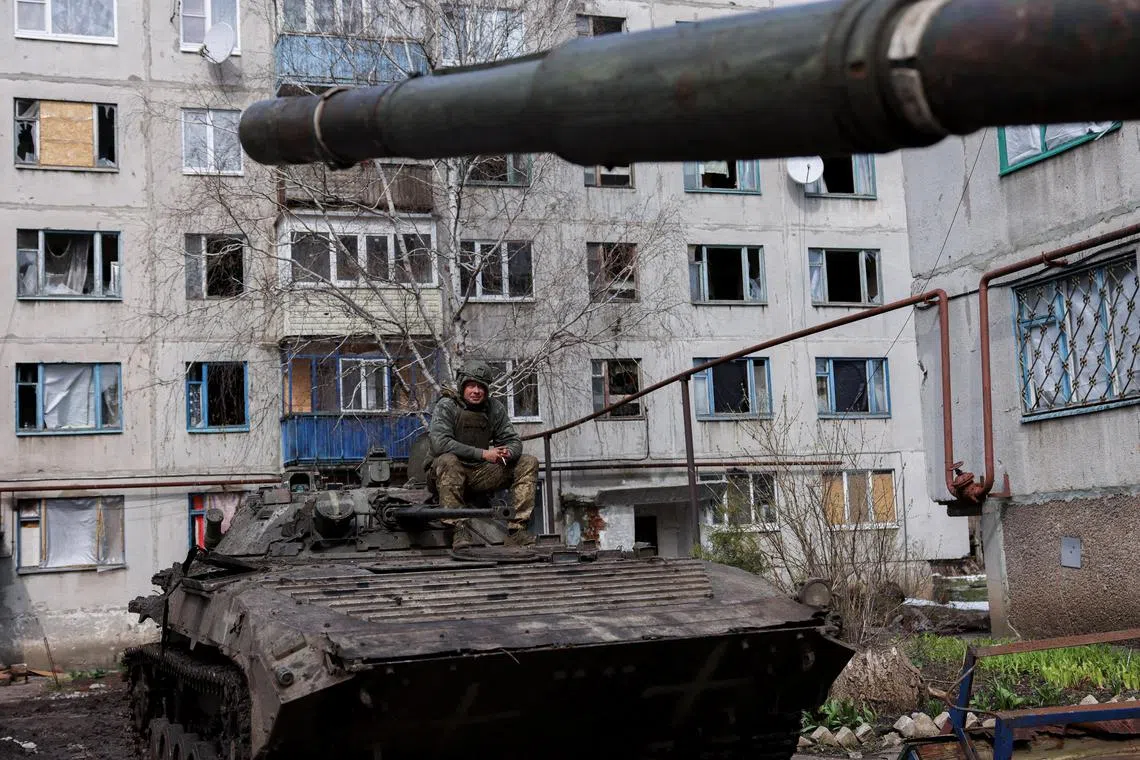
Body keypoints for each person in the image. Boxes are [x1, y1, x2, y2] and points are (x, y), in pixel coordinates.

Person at [427, 359, 539, 549]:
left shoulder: (494, 408)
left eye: (481, 387)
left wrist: (507, 452)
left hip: (480, 474)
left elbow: (513, 441)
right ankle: (458, 529)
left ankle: (517, 530)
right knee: (448, 461)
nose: (476, 391)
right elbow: (440, 444)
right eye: (471, 385)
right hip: (444, 475)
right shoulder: (447, 406)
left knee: (528, 462)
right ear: (462, 386)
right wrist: (484, 454)